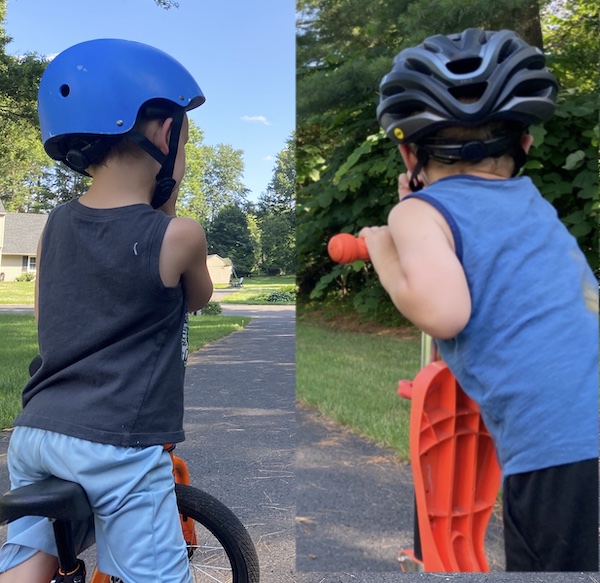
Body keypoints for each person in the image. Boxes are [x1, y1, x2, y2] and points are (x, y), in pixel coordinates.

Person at [361, 28, 598, 571]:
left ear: (408, 152)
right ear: (525, 144)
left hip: (558, 443)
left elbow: (443, 311)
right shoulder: (530, 200)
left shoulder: (416, 213)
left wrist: (383, 248)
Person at [0, 38, 213, 582]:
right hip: (115, 442)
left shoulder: (52, 226)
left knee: (31, 562)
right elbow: (197, 298)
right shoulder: (181, 236)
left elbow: (51, 317)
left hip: (36, 434)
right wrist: (167, 197)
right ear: (167, 133)